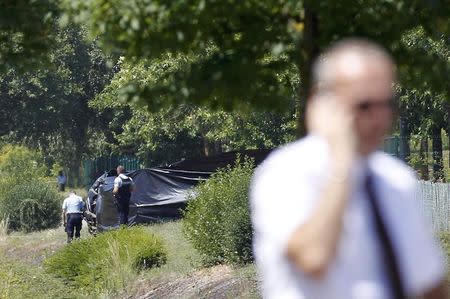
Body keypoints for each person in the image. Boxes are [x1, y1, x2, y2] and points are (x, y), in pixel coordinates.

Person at [250, 39, 448, 299]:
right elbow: (313, 256)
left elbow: (429, 283)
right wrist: (343, 163)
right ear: (322, 103)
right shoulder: (286, 173)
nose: (379, 120)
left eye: (386, 104)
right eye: (364, 106)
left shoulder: (396, 178)